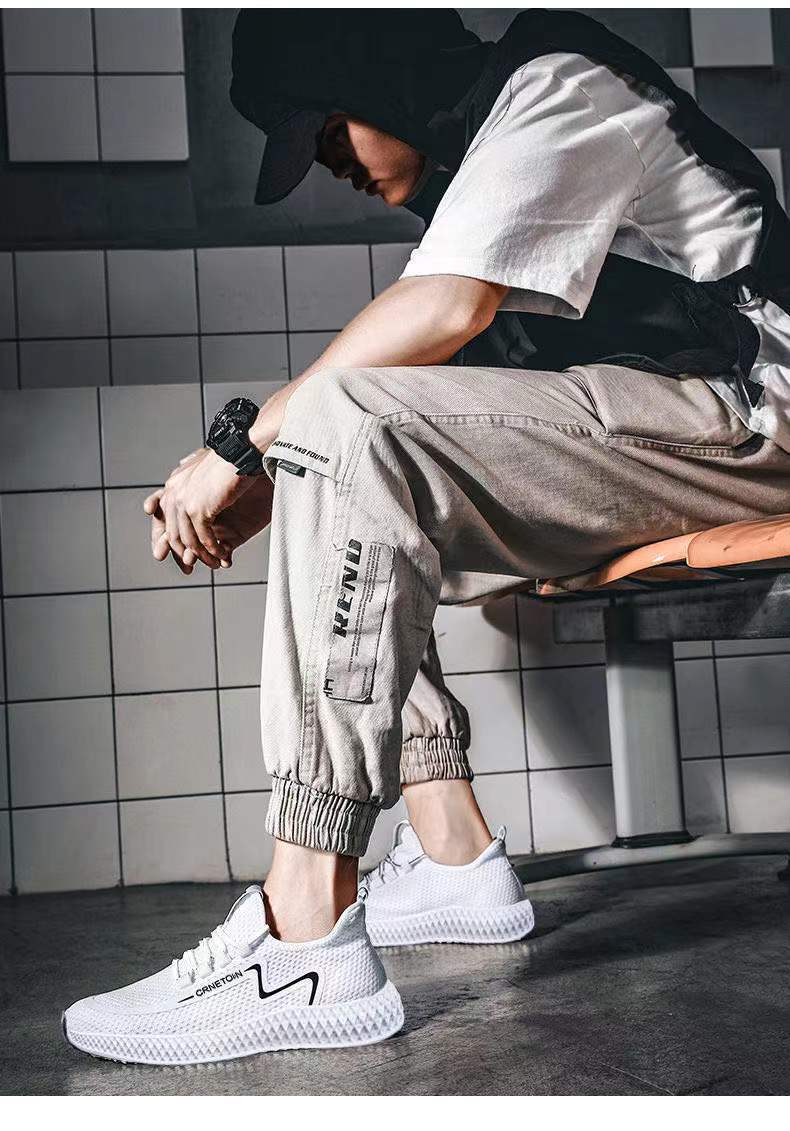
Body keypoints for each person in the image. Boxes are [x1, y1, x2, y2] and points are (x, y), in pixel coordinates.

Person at [64, 9, 790, 1065]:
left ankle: (302, 936)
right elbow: (407, 406)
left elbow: (438, 316)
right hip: (678, 434)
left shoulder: (557, 84)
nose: (329, 165)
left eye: (329, 130)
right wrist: (278, 475)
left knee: (342, 422)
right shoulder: (481, 183)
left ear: (379, 74)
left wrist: (240, 443)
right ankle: (453, 854)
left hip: (757, 419)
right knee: (332, 454)